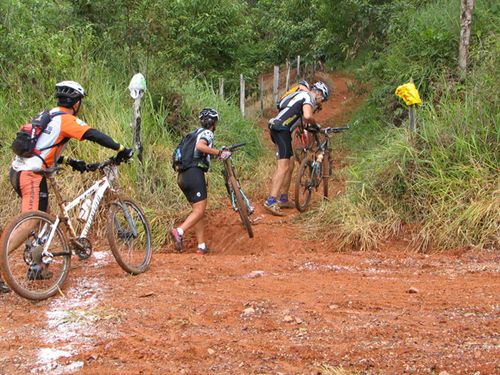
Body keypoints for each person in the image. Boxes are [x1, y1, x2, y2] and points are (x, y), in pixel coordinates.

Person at [0, 80, 134, 291]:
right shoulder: (66, 119)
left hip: (18, 171)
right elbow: (93, 134)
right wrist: (121, 148)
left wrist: (70, 162)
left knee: (45, 219)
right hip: (32, 175)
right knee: (30, 221)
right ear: (76, 102)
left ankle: (38, 267)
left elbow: (43, 147)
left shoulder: (48, 115)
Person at [170, 108, 231, 255]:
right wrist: (219, 153)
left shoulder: (192, 134)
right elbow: (200, 147)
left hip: (182, 176)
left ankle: (201, 245)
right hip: (194, 173)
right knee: (199, 210)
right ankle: (179, 231)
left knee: (197, 212)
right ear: (214, 123)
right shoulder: (207, 133)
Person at [264, 81, 330, 216]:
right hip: (281, 130)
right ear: (318, 93)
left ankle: (283, 199)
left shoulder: (300, 95)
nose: (320, 102)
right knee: (283, 167)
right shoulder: (308, 97)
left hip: (280, 129)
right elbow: (307, 116)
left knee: (291, 163)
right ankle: (271, 201)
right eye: (322, 98)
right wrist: (315, 124)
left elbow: (300, 122)